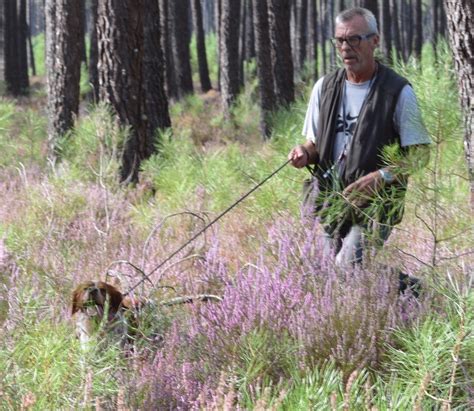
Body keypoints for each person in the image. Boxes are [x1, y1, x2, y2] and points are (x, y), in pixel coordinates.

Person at [288, 7, 430, 266]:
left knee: (347, 267)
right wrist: (304, 153)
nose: (345, 47)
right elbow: (315, 145)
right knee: (320, 271)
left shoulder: (397, 92)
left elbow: (420, 154)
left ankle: (416, 293)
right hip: (331, 200)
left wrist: (381, 176)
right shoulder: (324, 87)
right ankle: (394, 294)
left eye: (354, 39)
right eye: (340, 40)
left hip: (378, 204)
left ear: (375, 41)